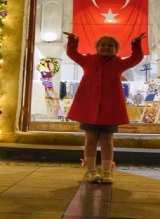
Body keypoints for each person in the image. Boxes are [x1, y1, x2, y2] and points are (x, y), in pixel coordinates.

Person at [62, 31, 146, 184]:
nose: (106, 47)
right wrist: (73, 41)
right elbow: (72, 54)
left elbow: (136, 58)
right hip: (89, 108)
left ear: (116, 49)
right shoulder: (88, 61)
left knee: (107, 140)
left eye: (110, 45)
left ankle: (107, 171)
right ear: (97, 47)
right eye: (103, 45)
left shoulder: (119, 64)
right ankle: (91, 170)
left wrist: (135, 44)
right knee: (90, 140)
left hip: (110, 109)